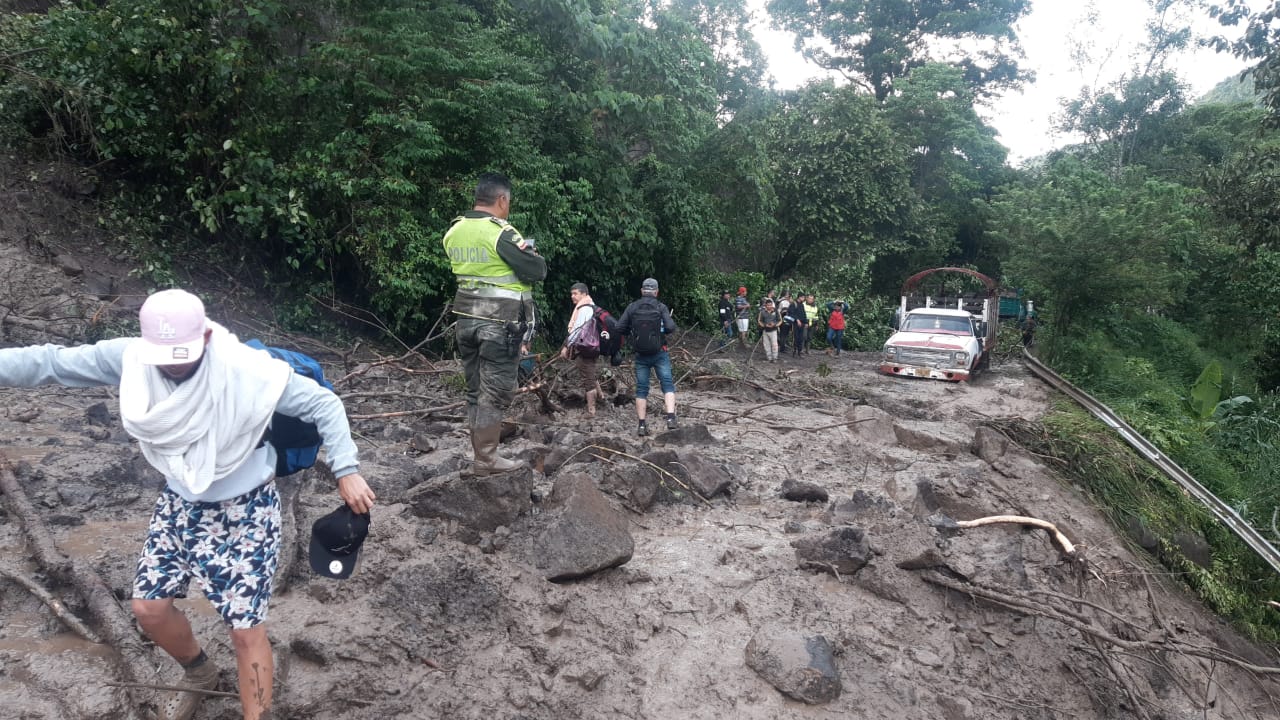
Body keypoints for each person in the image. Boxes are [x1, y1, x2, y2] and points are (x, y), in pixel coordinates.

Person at [0, 289, 376, 720]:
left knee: (244, 630)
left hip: (246, 509)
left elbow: (324, 403)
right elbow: (52, 363)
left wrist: (347, 470)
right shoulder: (133, 359)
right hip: (179, 503)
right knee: (149, 609)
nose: (175, 363)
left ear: (207, 339)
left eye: (185, 353)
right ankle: (199, 672)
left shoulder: (248, 370)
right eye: (166, 355)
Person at [443, 172, 547, 475]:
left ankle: (481, 457)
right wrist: (534, 255)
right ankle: (487, 460)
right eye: (508, 203)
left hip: (466, 321)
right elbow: (536, 270)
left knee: (475, 390)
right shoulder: (500, 232)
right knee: (497, 390)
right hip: (499, 322)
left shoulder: (454, 231)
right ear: (502, 200)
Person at [616, 278, 679, 436]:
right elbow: (671, 327)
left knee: (642, 389)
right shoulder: (660, 306)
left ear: (642, 291)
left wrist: (633, 333)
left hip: (641, 355)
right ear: (656, 292)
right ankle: (671, 418)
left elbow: (619, 327)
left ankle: (642, 425)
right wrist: (660, 332)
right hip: (660, 352)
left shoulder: (633, 307)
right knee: (667, 385)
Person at [560, 282, 604, 417]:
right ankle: (602, 398)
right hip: (591, 347)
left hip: (585, 348)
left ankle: (591, 411)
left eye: (575, 294)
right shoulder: (590, 305)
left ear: (584, 294)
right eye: (571, 294)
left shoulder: (584, 308)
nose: (572, 296)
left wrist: (566, 346)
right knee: (589, 372)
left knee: (588, 377)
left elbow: (578, 330)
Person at [757, 298, 781, 362]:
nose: (769, 306)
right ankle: (769, 358)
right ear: (765, 306)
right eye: (768, 305)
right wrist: (764, 325)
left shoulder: (776, 311)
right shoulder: (762, 312)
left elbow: (780, 320)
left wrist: (775, 325)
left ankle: (775, 358)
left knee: (774, 344)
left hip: (774, 330)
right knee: (766, 345)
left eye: (770, 305)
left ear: (772, 305)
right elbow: (759, 321)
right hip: (765, 330)